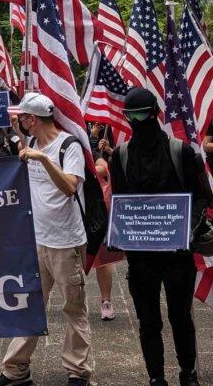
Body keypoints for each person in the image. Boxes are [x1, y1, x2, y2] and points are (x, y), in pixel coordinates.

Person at [110, 88, 213, 386]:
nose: (137, 121)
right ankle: (156, 376)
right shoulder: (121, 155)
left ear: (155, 113)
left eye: (142, 115)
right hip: (141, 258)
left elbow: (203, 197)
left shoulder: (182, 151)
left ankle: (188, 372)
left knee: (181, 317)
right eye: (131, 117)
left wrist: (185, 230)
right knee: (148, 321)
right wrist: (119, 232)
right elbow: (119, 200)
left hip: (177, 255)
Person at [0, 92, 93, 386]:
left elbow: (70, 187)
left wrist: (44, 158)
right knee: (30, 305)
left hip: (65, 242)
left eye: (22, 118)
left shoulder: (68, 146)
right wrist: (21, 141)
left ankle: (78, 370)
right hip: (37, 240)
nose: (20, 122)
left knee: (73, 308)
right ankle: (16, 370)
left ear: (32, 119)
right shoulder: (32, 142)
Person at [88, 121, 116, 321]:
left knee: (103, 260)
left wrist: (81, 172)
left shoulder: (83, 146)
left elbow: (103, 167)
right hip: (65, 214)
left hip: (94, 212)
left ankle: (106, 300)